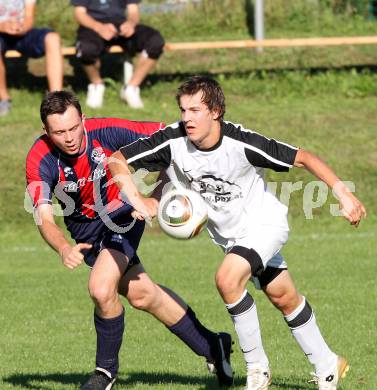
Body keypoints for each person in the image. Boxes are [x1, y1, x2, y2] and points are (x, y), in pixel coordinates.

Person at [108, 75, 367, 390]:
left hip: (265, 225)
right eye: (183, 110)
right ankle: (328, 363)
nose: (186, 118)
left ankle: (257, 371)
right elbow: (118, 160)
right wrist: (138, 197)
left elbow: (303, 158)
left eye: (195, 110)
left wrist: (344, 193)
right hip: (231, 238)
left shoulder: (242, 143)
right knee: (283, 297)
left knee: (227, 280)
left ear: (215, 110)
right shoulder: (172, 141)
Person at [25, 91, 234, 390]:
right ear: (47, 132)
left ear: (83, 120)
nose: (69, 137)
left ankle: (105, 373)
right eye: (59, 132)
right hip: (84, 234)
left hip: (123, 215)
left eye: (74, 128)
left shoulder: (106, 130)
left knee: (100, 288)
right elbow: (44, 216)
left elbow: (170, 138)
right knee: (142, 295)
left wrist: (156, 196)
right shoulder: (40, 158)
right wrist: (62, 247)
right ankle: (214, 345)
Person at [71, 0, 164, 109]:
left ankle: (131, 88)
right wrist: (99, 27)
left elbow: (133, 11)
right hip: (92, 27)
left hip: (121, 24)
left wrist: (130, 23)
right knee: (86, 49)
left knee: (155, 41)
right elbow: (79, 13)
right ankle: (96, 85)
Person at [0, 0, 63, 116]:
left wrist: (20, 28)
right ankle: (4, 99)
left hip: (21, 33)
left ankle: (56, 99)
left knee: (52, 38)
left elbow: (29, 17)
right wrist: (3, 26)